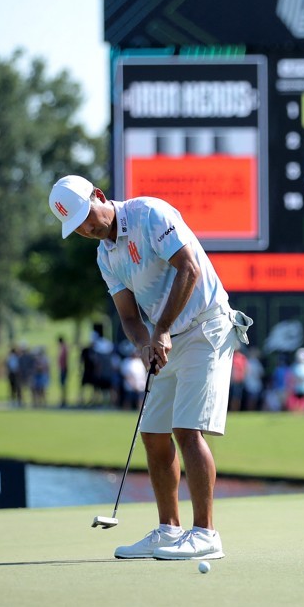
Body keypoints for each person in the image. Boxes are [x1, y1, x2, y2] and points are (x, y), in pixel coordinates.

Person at [49, 173, 251, 561]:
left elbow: (188, 267)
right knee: (154, 433)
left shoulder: (149, 214)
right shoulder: (104, 255)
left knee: (185, 429)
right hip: (167, 336)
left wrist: (160, 331)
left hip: (207, 324)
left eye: (86, 217)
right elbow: (127, 316)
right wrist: (145, 344)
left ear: (99, 195)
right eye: (76, 227)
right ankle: (168, 530)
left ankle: (206, 533)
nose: (86, 229)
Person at [56, 336, 70, 407]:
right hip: (63, 368)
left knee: (63, 385)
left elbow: (64, 359)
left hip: (63, 369)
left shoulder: (64, 348)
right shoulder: (63, 348)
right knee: (62, 385)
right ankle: (63, 400)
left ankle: (64, 400)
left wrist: (63, 368)